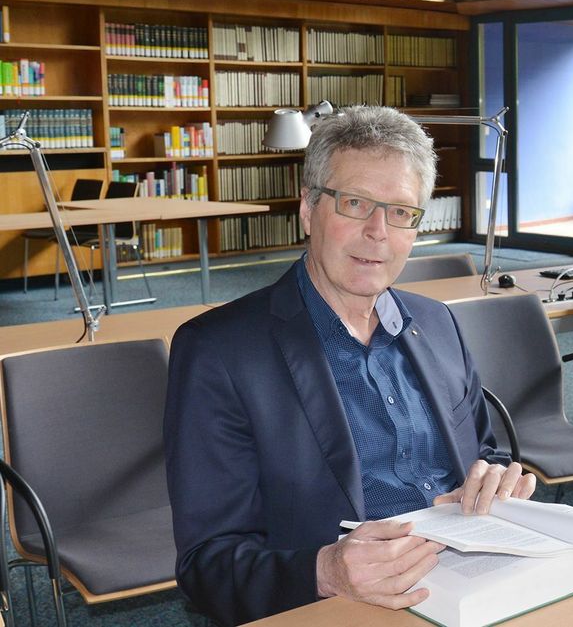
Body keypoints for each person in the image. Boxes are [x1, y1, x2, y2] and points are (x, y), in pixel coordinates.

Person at [164, 106, 536, 626]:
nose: (378, 232)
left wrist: (493, 478)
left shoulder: (438, 323)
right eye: (356, 204)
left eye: (401, 211)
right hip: (338, 608)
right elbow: (207, 564)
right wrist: (326, 572)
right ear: (308, 209)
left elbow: (484, 452)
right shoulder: (220, 351)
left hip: (471, 582)